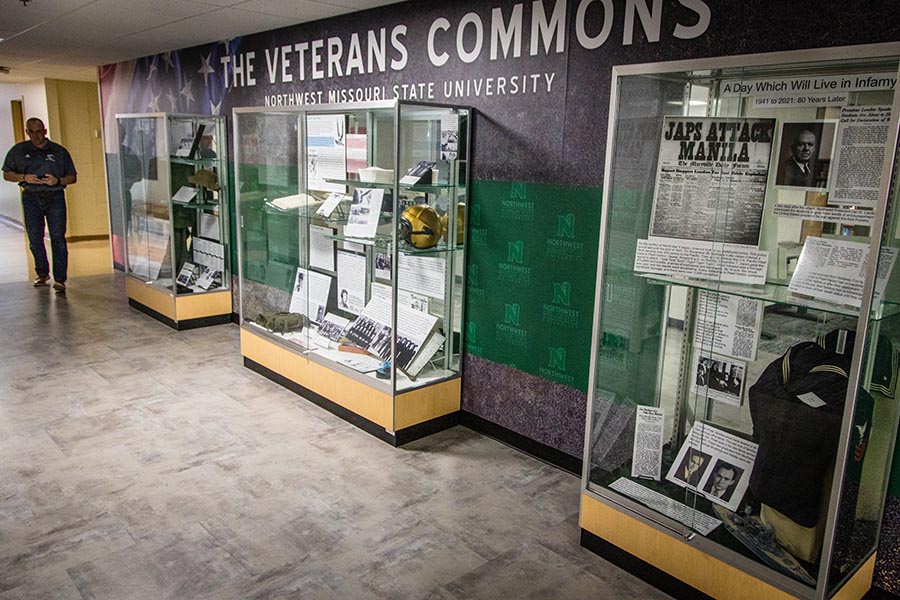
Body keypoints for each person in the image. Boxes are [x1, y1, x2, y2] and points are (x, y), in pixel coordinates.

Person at [3, 118, 77, 292]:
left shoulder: (59, 151)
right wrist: (23, 177)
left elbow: (72, 177)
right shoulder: (19, 151)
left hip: (54, 196)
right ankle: (42, 273)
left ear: (45, 131)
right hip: (31, 197)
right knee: (35, 238)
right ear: (27, 132)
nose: (36, 136)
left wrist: (57, 180)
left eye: (39, 131)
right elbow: (7, 174)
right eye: (32, 132)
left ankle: (60, 278)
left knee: (58, 237)